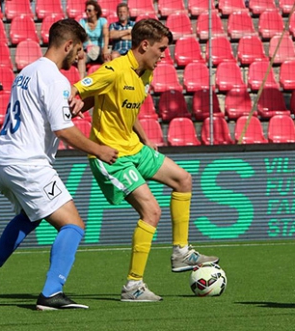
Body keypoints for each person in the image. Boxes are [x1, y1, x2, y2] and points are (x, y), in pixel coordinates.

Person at [0, 18, 118, 310]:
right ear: (67, 45)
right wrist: (98, 149)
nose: (80, 56)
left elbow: (44, 117)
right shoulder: (54, 78)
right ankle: (52, 292)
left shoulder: (27, 71)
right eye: (78, 50)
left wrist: (69, 108)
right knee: (73, 225)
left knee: (31, 215)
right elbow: (62, 130)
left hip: (1, 161)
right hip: (27, 164)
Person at [71, 19, 219, 302]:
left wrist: (144, 139)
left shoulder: (144, 72)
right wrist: (78, 99)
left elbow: (126, 108)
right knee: (152, 212)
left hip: (134, 147)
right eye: (161, 49)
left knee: (183, 179)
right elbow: (80, 89)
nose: (164, 55)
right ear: (144, 45)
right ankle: (133, 286)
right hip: (111, 155)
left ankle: (181, 252)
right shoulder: (114, 69)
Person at [77, 0, 111, 78]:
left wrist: (105, 49)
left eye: (89, 10)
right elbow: (79, 37)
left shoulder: (103, 21)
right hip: (87, 51)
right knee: (81, 57)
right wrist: (81, 49)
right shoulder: (82, 22)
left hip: (100, 50)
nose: (87, 12)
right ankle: (81, 81)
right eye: (86, 10)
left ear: (96, 11)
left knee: (107, 58)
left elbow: (106, 35)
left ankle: (107, 79)